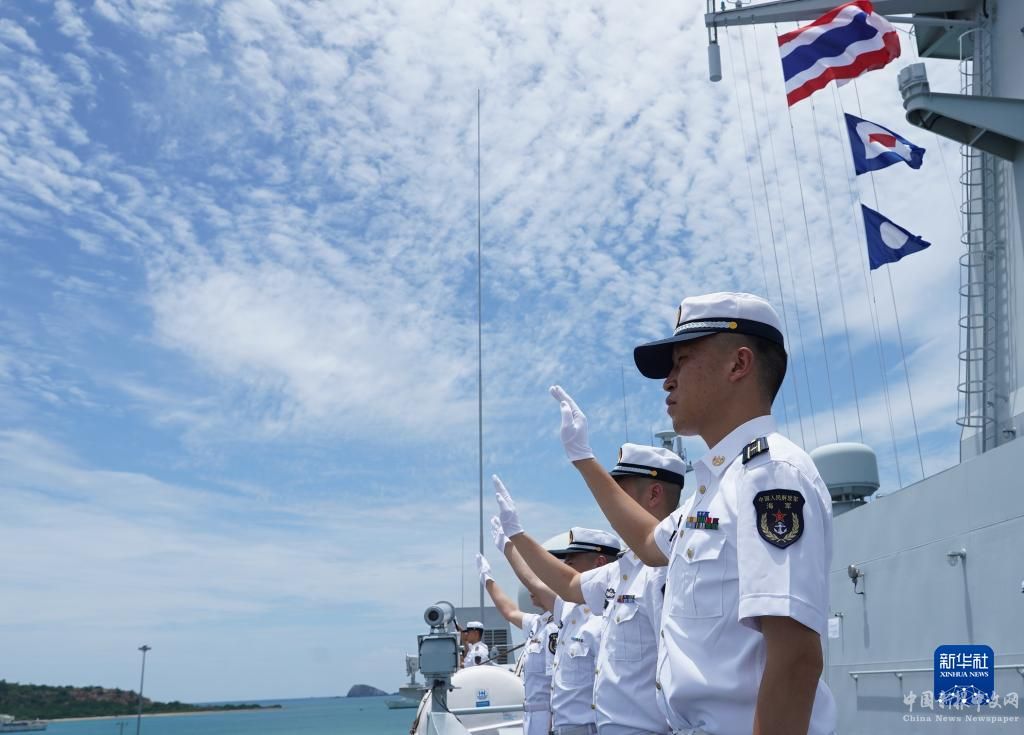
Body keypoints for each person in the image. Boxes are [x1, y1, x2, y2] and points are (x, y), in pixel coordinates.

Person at [549, 292, 837, 735]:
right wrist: (582, 458)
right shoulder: (716, 488)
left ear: (738, 364)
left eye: (682, 361)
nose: (668, 381)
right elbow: (649, 544)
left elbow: (796, 657)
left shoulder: (770, 475)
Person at [508, 443, 685, 735]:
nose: (608, 500)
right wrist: (515, 537)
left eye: (618, 492)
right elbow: (568, 585)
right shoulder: (623, 571)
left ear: (654, 494)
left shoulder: (668, 569)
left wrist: (583, 459)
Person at [494, 475, 618, 735]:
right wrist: (509, 544)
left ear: (599, 563)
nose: (564, 569)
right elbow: (532, 580)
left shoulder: (610, 611)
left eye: (571, 562)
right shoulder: (570, 610)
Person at [476, 532, 558, 735]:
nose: (530, 590)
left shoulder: (558, 625)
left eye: (535, 584)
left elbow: (556, 683)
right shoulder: (538, 623)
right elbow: (510, 611)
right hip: (531, 715)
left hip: (549, 716)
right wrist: (487, 580)